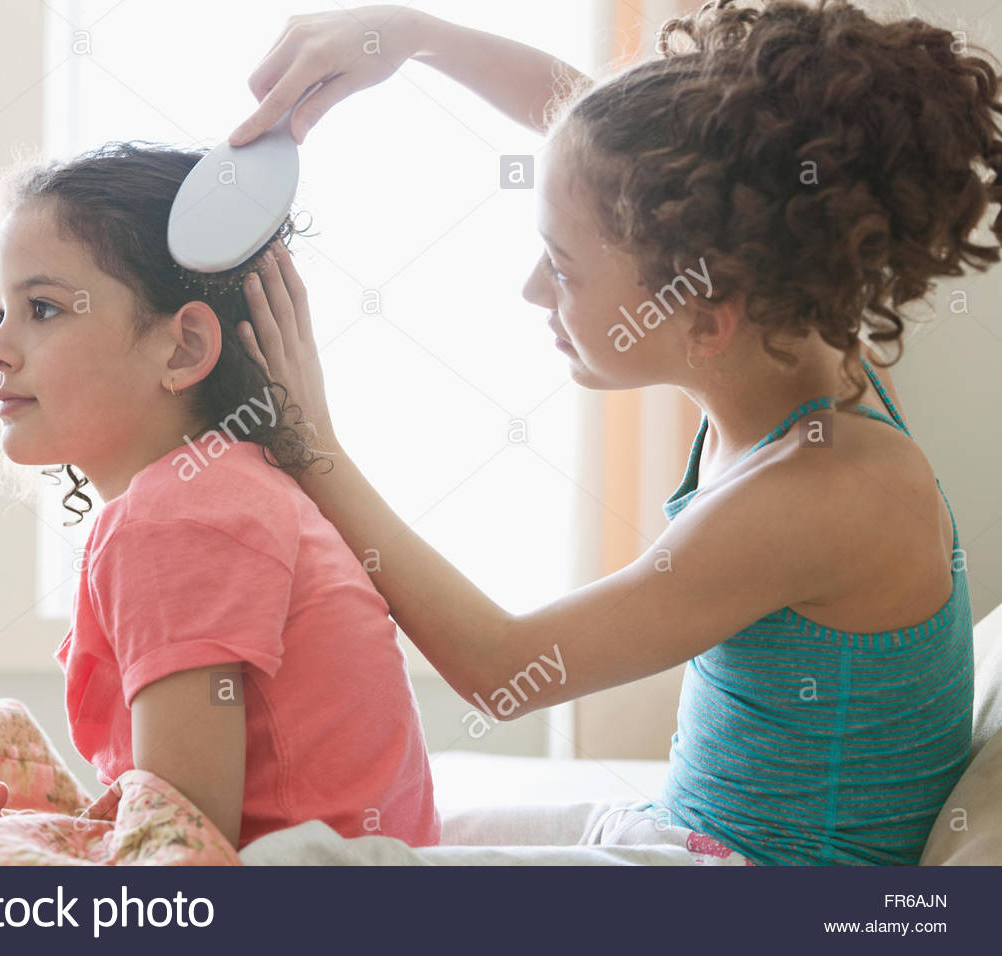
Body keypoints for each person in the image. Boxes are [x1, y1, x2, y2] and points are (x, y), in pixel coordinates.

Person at [231, 0, 995, 865]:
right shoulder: (789, 309)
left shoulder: (822, 496)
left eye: (561, 267)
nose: (530, 290)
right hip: (688, 829)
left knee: (305, 868)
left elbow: (501, 668)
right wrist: (419, 37)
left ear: (703, 313)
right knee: (379, 816)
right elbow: (611, 155)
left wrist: (310, 445)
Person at [0, 142, 441, 850]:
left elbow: (183, 852)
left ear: (180, 350)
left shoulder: (172, 519)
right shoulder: (220, 487)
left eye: (43, 309)